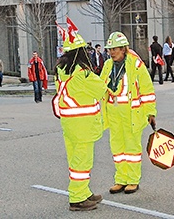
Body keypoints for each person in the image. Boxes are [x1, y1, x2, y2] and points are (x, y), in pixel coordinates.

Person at [52, 30, 106, 212]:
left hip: (69, 122)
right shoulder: (82, 74)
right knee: (82, 161)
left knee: (75, 158)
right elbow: (101, 89)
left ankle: (84, 191)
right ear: (80, 52)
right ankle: (77, 198)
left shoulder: (61, 71)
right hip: (83, 124)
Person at [100, 31, 157, 195]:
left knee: (132, 147)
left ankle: (133, 180)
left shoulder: (136, 64)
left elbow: (147, 90)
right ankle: (121, 179)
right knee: (117, 147)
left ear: (123, 49)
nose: (112, 52)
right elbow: (100, 87)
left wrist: (150, 112)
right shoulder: (108, 65)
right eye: (110, 49)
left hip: (131, 113)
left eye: (115, 49)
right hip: (113, 112)